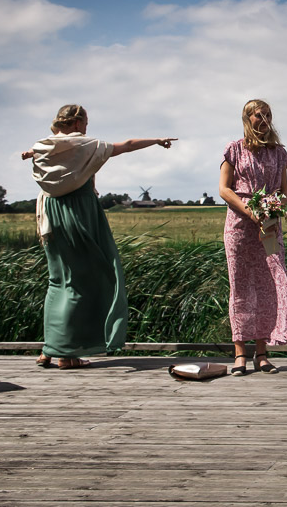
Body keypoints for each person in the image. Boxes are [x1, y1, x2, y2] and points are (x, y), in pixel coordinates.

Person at [22, 104, 175, 369]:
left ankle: (49, 349)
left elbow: (35, 153)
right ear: (78, 123)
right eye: (86, 123)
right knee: (85, 278)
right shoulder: (83, 144)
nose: (87, 128)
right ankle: (67, 355)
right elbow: (125, 145)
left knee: (58, 280)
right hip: (79, 212)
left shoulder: (45, 146)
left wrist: (30, 152)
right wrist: (157, 140)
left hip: (50, 213)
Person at [219, 99, 287, 376]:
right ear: (247, 118)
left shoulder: (279, 153)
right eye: (258, 115)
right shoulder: (234, 149)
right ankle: (239, 353)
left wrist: (273, 210)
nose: (264, 119)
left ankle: (262, 353)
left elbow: (284, 192)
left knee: (267, 286)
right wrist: (251, 212)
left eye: (268, 115)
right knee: (240, 287)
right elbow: (224, 190)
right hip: (239, 224)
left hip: (269, 226)